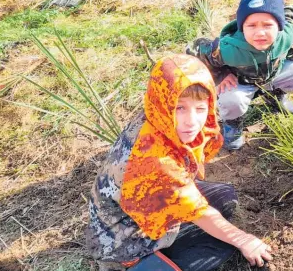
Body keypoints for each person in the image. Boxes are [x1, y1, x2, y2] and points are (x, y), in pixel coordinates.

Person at [85, 55, 272, 271]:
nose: (192, 121)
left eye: (200, 108)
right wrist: (244, 240)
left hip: (139, 206)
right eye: (179, 108)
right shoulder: (154, 159)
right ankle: (137, 266)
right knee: (220, 247)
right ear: (164, 102)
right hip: (123, 238)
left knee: (225, 197)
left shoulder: (155, 114)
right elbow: (199, 211)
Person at [187, 0, 293, 150]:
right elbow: (194, 50)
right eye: (251, 25)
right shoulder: (228, 49)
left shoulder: (285, 35)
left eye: (268, 25)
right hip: (240, 83)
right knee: (231, 100)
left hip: (271, 76)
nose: (260, 32)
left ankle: (275, 97)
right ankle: (233, 123)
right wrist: (221, 76)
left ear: (279, 26)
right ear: (241, 28)